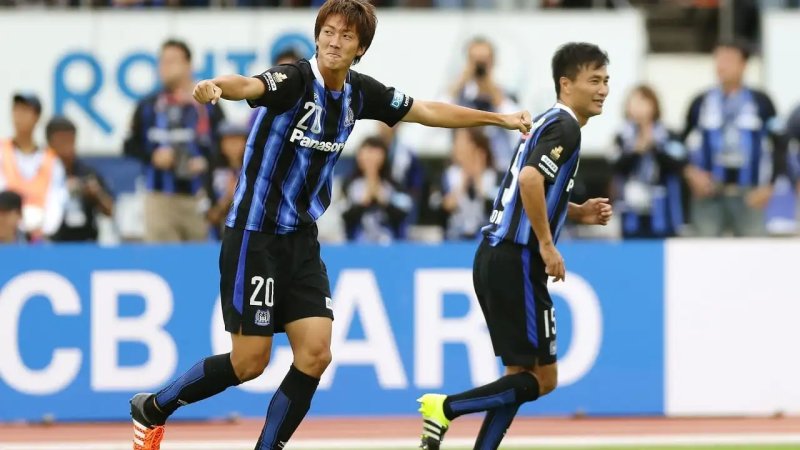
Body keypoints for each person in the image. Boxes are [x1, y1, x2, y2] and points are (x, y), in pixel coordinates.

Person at [128, 1, 532, 450]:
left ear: (361, 49)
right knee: (249, 363)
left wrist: (499, 119)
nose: (334, 42)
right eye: (328, 32)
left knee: (316, 353)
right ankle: (154, 407)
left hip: (301, 239)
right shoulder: (294, 80)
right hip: (254, 236)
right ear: (317, 36)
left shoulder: (360, 93)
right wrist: (216, 88)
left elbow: (426, 111)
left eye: (346, 35)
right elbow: (249, 84)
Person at [416, 42, 612, 450]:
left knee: (518, 374)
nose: (603, 90)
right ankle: (445, 407)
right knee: (544, 378)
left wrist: (576, 212)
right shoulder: (566, 127)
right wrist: (547, 245)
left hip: (495, 256)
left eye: (606, 80)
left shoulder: (546, 122)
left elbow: (528, 188)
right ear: (566, 84)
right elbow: (529, 180)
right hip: (517, 257)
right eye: (594, 80)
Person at [123, 39, 225, 242]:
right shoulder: (148, 106)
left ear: (188, 65)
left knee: (200, 257)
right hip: (159, 198)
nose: (164, 67)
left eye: (171, 61)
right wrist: (153, 156)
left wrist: (205, 162)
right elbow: (129, 145)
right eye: (162, 61)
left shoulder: (209, 104)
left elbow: (226, 147)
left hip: (199, 197)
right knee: (162, 257)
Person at [682, 40, 786, 237]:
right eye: (718, 59)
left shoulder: (761, 102)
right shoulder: (701, 101)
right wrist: (690, 173)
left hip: (749, 194)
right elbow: (677, 144)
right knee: (703, 250)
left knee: (753, 251)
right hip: (710, 194)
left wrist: (770, 186)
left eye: (729, 60)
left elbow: (781, 144)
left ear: (743, 64)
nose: (722, 65)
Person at [613, 85, 686, 238]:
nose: (639, 108)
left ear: (654, 105)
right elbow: (615, 165)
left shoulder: (668, 135)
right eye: (634, 102)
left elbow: (679, 162)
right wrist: (636, 151)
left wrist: (654, 147)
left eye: (643, 102)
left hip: (662, 208)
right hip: (630, 207)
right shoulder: (621, 137)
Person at [0, 93, 67, 241]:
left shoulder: (52, 160)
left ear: (36, 117)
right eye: (16, 110)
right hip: (5, 235)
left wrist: (42, 228)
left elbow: (56, 200)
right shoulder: (2, 152)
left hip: (39, 236)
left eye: (25, 111)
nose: (19, 116)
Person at [449, 36, 522, 171]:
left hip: (501, 170)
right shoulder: (459, 96)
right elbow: (435, 116)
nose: (480, 66)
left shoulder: (505, 96)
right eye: (474, 60)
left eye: (484, 60)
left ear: (493, 62)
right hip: (464, 172)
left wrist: (494, 93)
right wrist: (461, 80)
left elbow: (520, 129)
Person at [47, 116, 115, 242]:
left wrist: (96, 194)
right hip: (51, 242)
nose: (67, 146)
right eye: (62, 140)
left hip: (85, 240)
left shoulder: (87, 173)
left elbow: (110, 210)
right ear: (50, 143)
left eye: (70, 140)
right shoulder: (42, 173)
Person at [341, 136, 411, 242]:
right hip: (356, 244)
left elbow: (403, 213)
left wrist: (382, 199)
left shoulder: (394, 184)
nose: (370, 158)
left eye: (375, 154)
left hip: (390, 243)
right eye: (366, 153)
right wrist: (364, 201)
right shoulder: (348, 184)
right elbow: (344, 215)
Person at [439, 127, 499, 240]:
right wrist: (464, 180)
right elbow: (448, 206)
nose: (457, 147)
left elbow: (495, 207)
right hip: (455, 236)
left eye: (463, 142)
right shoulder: (451, 174)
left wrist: (478, 178)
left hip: (484, 236)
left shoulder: (492, 175)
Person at [206, 121, 248, 240]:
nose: (233, 145)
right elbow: (210, 217)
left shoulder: (254, 171)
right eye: (228, 140)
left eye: (238, 140)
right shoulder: (213, 172)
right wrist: (228, 198)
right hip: (218, 238)